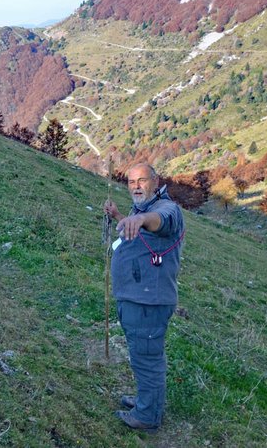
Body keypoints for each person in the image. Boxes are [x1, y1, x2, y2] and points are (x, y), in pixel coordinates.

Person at [103, 162, 185, 433]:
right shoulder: (142, 208)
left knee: (148, 360)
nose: (136, 187)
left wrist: (140, 219)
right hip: (138, 299)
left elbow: (160, 221)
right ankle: (145, 401)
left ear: (155, 180)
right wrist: (119, 216)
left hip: (148, 303)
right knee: (141, 355)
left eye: (141, 180)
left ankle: (147, 417)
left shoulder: (165, 209)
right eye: (131, 182)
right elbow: (137, 230)